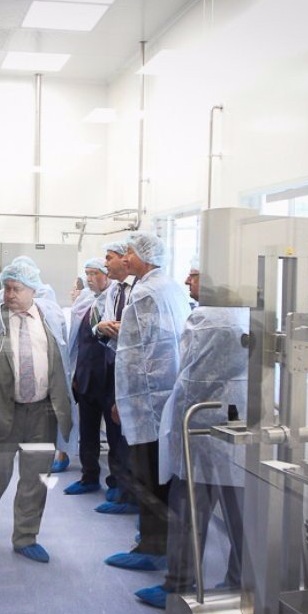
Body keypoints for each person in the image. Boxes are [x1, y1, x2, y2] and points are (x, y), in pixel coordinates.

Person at [135, 305, 248, 608]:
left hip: (200, 429)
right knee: (240, 514)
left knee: (188, 513)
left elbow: (192, 378)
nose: (188, 282)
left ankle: (179, 586)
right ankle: (239, 584)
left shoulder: (208, 320)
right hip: (239, 428)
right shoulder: (248, 315)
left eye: (195, 279)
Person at [0, 261, 73, 563]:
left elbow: (64, 362)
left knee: (36, 478)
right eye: (7, 288)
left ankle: (26, 537)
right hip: (0, 410)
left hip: (42, 413)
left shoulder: (51, 320)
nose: (9, 294)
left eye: (17, 289)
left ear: (33, 290)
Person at [105, 231, 192, 572]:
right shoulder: (170, 288)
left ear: (146, 256)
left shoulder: (144, 293)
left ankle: (152, 548)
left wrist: (122, 399)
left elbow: (133, 353)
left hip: (147, 399)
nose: (125, 258)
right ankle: (157, 543)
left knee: (148, 478)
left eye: (129, 252)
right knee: (161, 477)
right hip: (168, 395)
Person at [89, 241, 137, 512]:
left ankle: (130, 494)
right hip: (114, 364)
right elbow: (105, 325)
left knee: (132, 436)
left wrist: (117, 328)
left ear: (124, 259)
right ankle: (118, 484)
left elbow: (132, 330)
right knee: (116, 430)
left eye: (109, 258)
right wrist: (102, 327)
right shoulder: (114, 293)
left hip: (134, 369)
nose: (105, 263)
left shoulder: (140, 290)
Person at [63, 258, 117, 496]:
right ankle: (89, 477)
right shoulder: (86, 302)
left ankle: (117, 484)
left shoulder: (117, 301)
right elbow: (78, 343)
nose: (90, 278)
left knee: (115, 435)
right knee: (88, 431)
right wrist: (75, 375)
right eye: (87, 273)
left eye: (95, 273)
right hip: (86, 377)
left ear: (107, 275)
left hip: (109, 379)